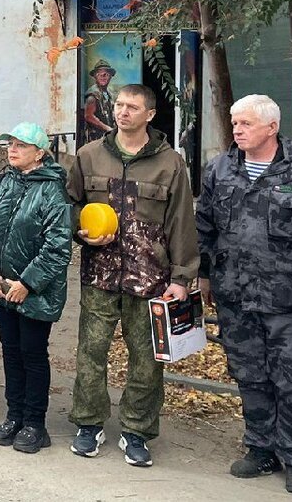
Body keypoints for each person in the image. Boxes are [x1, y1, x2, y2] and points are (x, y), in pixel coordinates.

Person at [197, 94, 292, 496]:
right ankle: (260, 447)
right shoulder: (219, 169)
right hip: (235, 295)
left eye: (246, 124)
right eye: (235, 123)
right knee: (249, 375)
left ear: (271, 127)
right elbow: (205, 226)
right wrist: (202, 275)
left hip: (287, 299)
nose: (236, 130)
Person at [67, 83, 199, 467]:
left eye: (132, 107)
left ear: (150, 115)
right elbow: (70, 204)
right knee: (91, 354)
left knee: (147, 360)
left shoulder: (170, 163)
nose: (122, 112)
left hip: (151, 279)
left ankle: (137, 431)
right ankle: (88, 424)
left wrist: (181, 277)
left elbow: (181, 223)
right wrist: (81, 230)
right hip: (99, 277)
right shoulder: (89, 156)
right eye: (120, 105)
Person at [0, 122, 72, 453]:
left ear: (40, 153)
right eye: (10, 143)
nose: (11, 149)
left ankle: (34, 423)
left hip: (34, 292)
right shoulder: (2, 182)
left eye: (21, 145)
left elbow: (58, 246)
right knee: (10, 351)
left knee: (32, 353)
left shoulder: (53, 190)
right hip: (0, 287)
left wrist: (27, 283)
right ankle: (14, 416)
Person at [83, 60, 117, 144]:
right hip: (95, 138)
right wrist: (108, 129)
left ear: (111, 76)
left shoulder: (109, 93)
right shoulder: (92, 95)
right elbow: (88, 116)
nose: (103, 76)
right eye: (99, 74)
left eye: (106, 74)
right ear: (95, 76)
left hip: (107, 137)